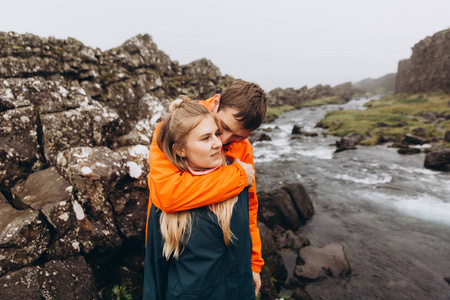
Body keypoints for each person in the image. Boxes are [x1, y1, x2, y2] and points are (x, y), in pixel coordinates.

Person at [146, 80, 268, 295]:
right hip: (181, 252)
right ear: (216, 103)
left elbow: (249, 210)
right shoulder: (175, 129)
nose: (225, 141)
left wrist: (255, 264)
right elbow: (167, 195)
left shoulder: (243, 148)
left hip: (230, 262)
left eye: (239, 135)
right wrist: (238, 175)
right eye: (225, 128)